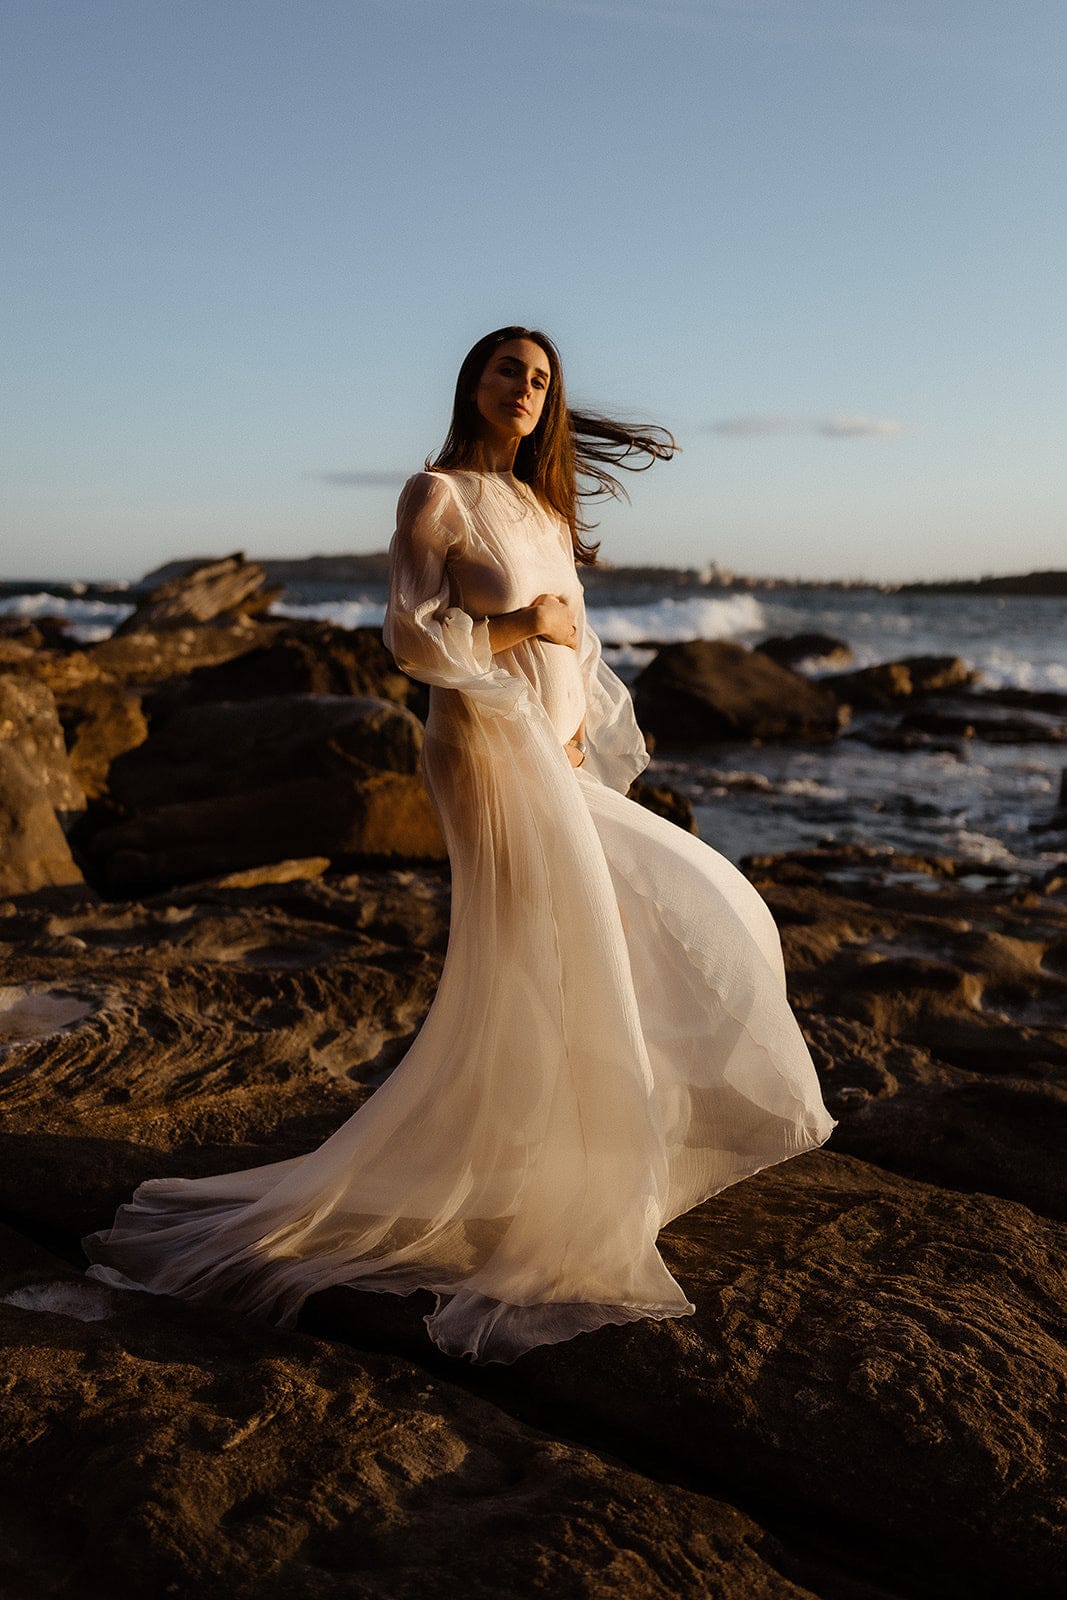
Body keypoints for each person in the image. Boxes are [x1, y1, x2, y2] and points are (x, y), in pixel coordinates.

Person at [84, 326, 836, 1364]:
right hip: (481, 748)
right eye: (505, 371)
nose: (522, 389)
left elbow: (577, 632)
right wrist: (528, 633)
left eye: (538, 379)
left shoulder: (539, 504)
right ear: (472, 382)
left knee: (693, 899)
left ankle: (541, 1157)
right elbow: (409, 638)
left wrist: (571, 708)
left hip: (548, 751)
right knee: (549, 946)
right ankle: (562, 1177)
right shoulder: (433, 494)